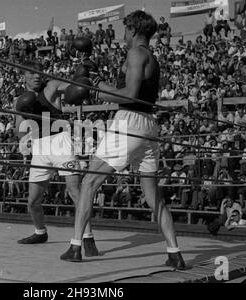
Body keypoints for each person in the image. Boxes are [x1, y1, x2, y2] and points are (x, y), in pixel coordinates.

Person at [61, 11, 188, 269]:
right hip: (149, 127)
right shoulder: (149, 57)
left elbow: (129, 95)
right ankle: (175, 253)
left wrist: (96, 85)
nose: (123, 33)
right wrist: (101, 81)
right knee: (154, 197)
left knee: (88, 182)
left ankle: (76, 247)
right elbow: (131, 89)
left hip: (129, 122)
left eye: (125, 28)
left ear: (132, 29)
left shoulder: (135, 53)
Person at [14, 61, 98, 256]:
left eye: (39, 73)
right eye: (32, 74)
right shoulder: (19, 99)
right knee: (33, 201)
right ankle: (40, 232)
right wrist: (23, 130)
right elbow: (18, 129)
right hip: (39, 147)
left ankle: (87, 236)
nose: (36, 77)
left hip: (61, 141)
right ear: (24, 77)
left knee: (75, 191)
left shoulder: (51, 86)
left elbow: (71, 87)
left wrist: (81, 78)